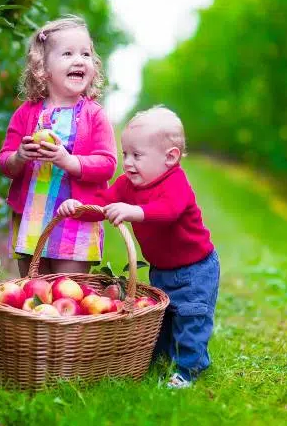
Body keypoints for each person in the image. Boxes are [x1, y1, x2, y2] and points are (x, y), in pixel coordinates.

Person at [57, 106, 219, 388]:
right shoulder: (126, 184)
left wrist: (134, 211)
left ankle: (188, 371)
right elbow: (101, 204)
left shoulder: (176, 181)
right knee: (164, 319)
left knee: (191, 318)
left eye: (137, 156)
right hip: (163, 269)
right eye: (125, 154)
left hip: (196, 269)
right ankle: (164, 359)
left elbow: (167, 211)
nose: (128, 163)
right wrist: (78, 208)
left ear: (170, 158)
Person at [0, 15, 117, 278]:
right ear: (43, 68)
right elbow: (5, 161)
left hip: (75, 218)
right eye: (68, 53)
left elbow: (108, 164)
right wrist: (19, 157)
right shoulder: (26, 113)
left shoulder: (94, 115)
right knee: (33, 290)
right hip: (32, 215)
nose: (79, 60)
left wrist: (69, 161)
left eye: (86, 54)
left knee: (69, 289)